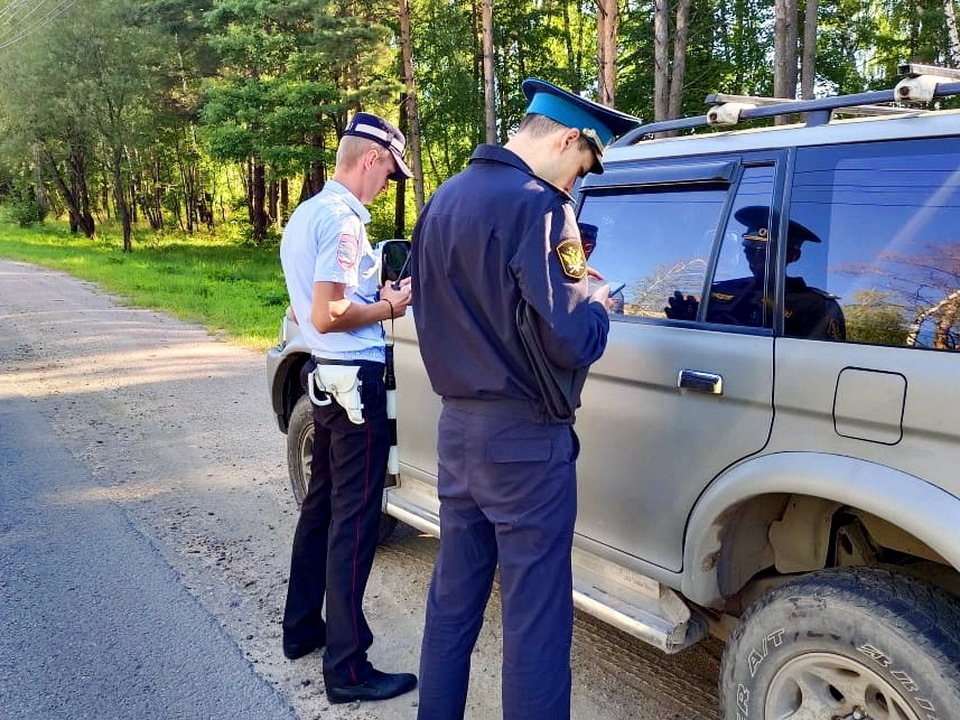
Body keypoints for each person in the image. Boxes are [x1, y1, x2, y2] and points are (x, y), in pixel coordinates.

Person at [410, 78, 641, 720]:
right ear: (570, 139)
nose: (579, 182)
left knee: (453, 601)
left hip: (457, 432)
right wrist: (597, 303)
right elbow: (567, 339)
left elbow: (446, 302)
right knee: (536, 619)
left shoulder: (444, 198)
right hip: (524, 445)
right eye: (584, 165)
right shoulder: (541, 207)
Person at [278, 111, 417, 705]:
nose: (388, 182)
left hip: (323, 378)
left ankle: (302, 629)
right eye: (389, 170)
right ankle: (348, 670)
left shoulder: (306, 212)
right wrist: (389, 306)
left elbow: (318, 315)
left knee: (321, 508)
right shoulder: (342, 222)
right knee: (355, 524)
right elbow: (329, 313)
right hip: (354, 382)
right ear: (369, 160)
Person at [665, 205, 845, 340]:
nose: (752, 258)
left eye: (763, 251)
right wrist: (685, 321)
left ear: (793, 256)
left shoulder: (816, 306)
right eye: (749, 250)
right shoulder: (725, 290)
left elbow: (817, 371)